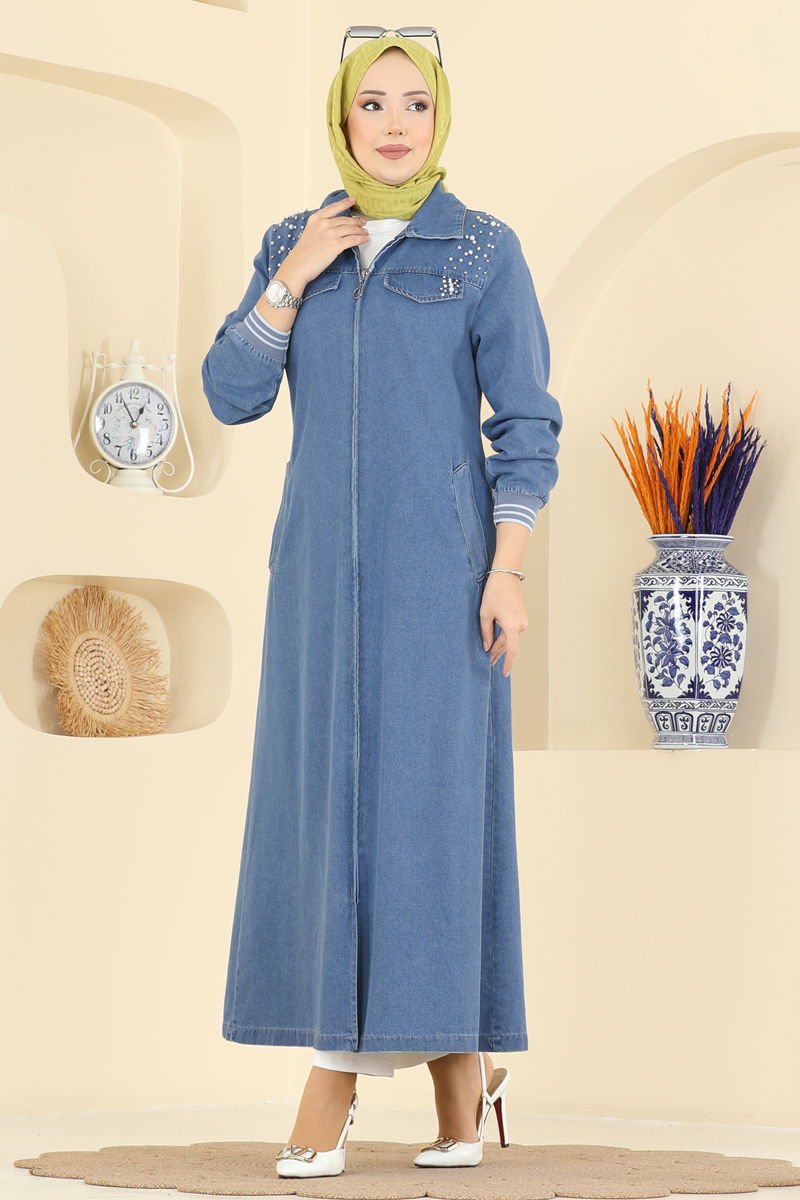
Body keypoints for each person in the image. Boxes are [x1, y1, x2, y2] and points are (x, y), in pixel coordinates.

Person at [201, 29, 563, 1179]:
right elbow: (230, 393)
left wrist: (505, 569)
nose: (394, 123)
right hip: (316, 587)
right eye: (372, 103)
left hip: (442, 590)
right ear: (341, 117)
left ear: (438, 116)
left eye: (414, 102)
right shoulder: (294, 242)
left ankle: (350, 1083)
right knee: (327, 819)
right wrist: (292, 276)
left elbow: (525, 424)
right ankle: (454, 1081)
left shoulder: (482, 251)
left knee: (431, 820)